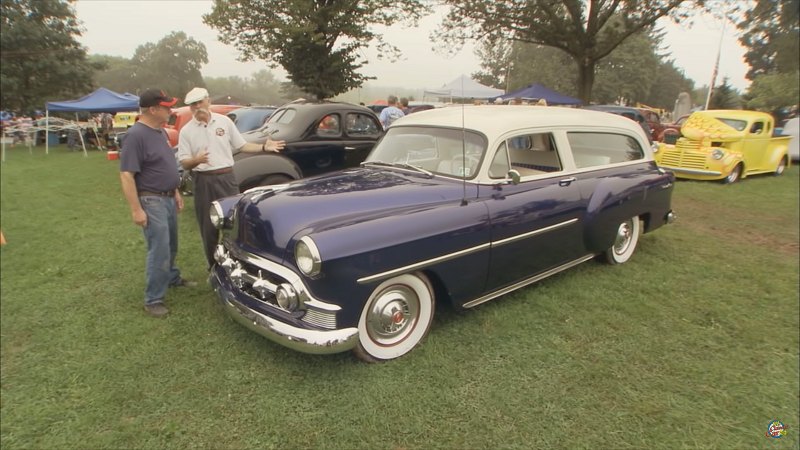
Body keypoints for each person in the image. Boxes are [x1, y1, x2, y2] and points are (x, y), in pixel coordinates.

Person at [176, 87, 286, 267]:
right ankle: (213, 267)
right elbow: (184, 163)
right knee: (208, 227)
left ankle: (236, 264)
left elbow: (242, 146)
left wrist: (264, 147)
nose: (197, 107)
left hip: (226, 177)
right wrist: (197, 160)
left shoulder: (224, 122)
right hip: (203, 180)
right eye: (192, 105)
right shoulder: (186, 131)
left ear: (208, 101)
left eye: (199, 102)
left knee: (233, 222)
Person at [119, 89, 195, 318]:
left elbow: (164, 164)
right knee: (159, 248)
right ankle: (153, 299)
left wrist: (176, 192)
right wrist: (136, 209)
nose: (170, 110)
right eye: (166, 106)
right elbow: (126, 175)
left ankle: (171, 277)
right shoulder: (136, 135)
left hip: (168, 197)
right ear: (153, 109)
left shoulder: (160, 132)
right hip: (151, 200)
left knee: (171, 244)